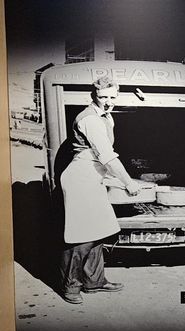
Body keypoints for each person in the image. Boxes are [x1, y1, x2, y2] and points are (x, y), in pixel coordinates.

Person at [58, 76, 141, 304]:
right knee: (81, 235)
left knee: (99, 230)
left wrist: (112, 179)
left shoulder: (106, 116)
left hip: (93, 176)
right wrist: (128, 182)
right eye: (103, 97)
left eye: (112, 97)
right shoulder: (90, 119)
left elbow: (100, 160)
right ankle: (70, 286)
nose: (108, 101)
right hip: (80, 178)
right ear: (93, 96)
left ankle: (94, 281)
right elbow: (106, 156)